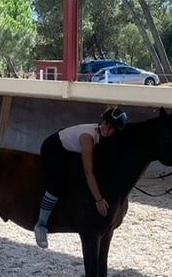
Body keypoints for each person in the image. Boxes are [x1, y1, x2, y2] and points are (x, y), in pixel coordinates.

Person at [34, 106, 128, 249]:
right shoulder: (88, 138)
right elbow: (88, 172)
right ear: (102, 121)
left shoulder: (103, 136)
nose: (107, 129)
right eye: (106, 124)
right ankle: (41, 225)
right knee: (56, 184)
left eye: (112, 128)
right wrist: (98, 199)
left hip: (71, 149)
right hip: (54, 148)